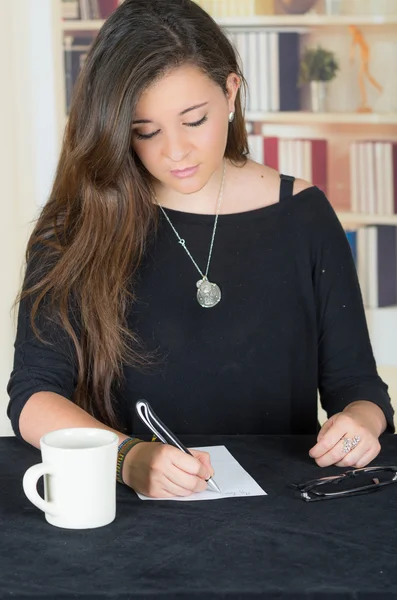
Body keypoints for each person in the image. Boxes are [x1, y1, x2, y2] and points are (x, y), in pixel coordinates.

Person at [7, 0, 394, 499]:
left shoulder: (304, 215)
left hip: (284, 510)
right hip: (122, 510)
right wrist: (127, 458)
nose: (175, 152)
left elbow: (359, 387)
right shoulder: (75, 226)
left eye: (194, 120)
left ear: (230, 92)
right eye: (145, 132)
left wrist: (361, 423)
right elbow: (33, 396)